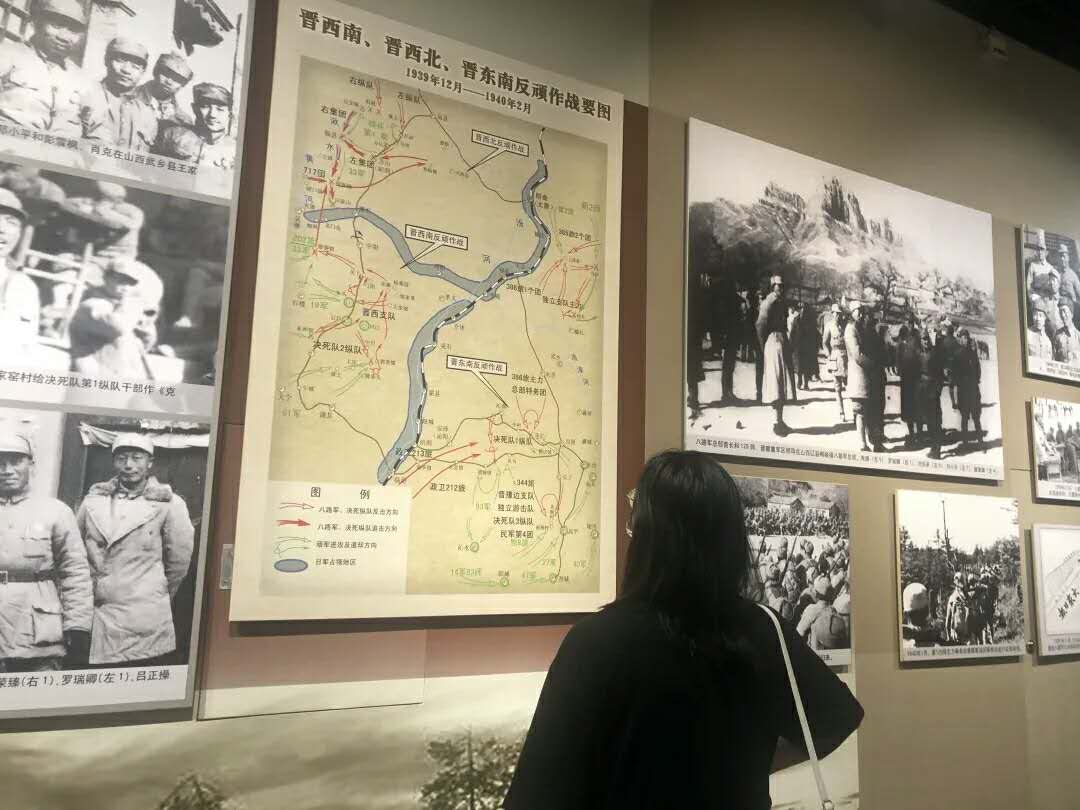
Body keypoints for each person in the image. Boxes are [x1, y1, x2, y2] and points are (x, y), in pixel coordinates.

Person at [505, 451, 863, 810]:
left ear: (646, 535)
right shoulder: (763, 628)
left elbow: (536, 793)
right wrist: (744, 767)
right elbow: (836, 720)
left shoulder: (596, 641)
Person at [76, 433, 195, 666]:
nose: (128, 465)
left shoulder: (169, 504)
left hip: (142, 616)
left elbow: (178, 563)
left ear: (150, 462)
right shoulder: (92, 501)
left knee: (134, 674)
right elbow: (75, 551)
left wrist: (153, 594)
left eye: (136, 458)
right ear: (114, 462)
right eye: (121, 458)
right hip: (95, 614)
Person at [0, 430, 92, 672]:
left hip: (36, 631)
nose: (7, 470)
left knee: (35, 691)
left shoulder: (55, 511)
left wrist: (78, 624)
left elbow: (75, 572)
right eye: (0, 462)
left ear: (31, 464)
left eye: (16, 461)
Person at [0, 0, 88, 138]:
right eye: (56, 25)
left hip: (60, 149)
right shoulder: (7, 55)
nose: (64, 37)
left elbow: (94, 132)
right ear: (36, 23)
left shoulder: (82, 79)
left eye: (73, 30)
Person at [68, 258, 163, 378]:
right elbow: (119, 326)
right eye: (121, 281)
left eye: (131, 283)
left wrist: (146, 322)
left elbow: (148, 339)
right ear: (106, 278)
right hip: (93, 373)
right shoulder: (91, 304)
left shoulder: (123, 307)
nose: (126, 287)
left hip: (121, 373)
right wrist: (133, 306)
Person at [80, 37, 150, 145]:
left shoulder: (147, 114)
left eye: (135, 66)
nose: (126, 70)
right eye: (120, 61)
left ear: (143, 71)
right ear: (106, 60)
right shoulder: (85, 95)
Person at [157, 83, 235, 171]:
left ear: (230, 114)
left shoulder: (235, 149)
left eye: (220, 109)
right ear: (194, 108)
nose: (212, 115)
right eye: (205, 107)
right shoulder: (173, 136)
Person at [0, 188, 41, 350]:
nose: (2, 229)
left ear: (18, 235)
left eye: (11, 222)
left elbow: (25, 347)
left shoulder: (24, 287)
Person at [756, 274, 796, 436]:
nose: (781, 288)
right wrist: (764, 345)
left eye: (782, 285)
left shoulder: (781, 302)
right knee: (776, 382)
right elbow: (760, 325)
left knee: (782, 382)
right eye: (778, 285)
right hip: (773, 341)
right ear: (772, 286)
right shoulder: (769, 302)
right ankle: (776, 423)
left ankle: (780, 420)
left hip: (782, 340)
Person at [129, 52, 194, 151]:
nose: (169, 82)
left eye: (177, 79)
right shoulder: (128, 98)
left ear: (182, 85)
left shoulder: (184, 120)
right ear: (156, 72)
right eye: (166, 74)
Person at [844, 302, 878, 452]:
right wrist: (873, 364)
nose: (861, 314)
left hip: (865, 374)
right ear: (852, 312)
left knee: (867, 409)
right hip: (858, 374)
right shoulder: (850, 329)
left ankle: (871, 440)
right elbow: (857, 355)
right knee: (860, 410)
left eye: (862, 311)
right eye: (858, 311)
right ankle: (862, 444)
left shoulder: (859, 328)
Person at [917, 329, 946, 460]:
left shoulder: (935, 354)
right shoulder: (920, 354)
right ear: (920, 341)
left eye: (927, 339)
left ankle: (937, 449)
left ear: (930, 339)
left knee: (935, 420)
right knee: (928, 420)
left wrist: (938, 390)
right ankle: (933, 447)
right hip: (923, 390)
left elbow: (940, 375)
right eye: (923, 339)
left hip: (933, 390)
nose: (925, 341)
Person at [952, 329, 983, 446]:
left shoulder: (971, 353)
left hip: (971, 389)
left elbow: (978, 369)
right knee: (966, 417)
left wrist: (975, 380)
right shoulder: (959, 354)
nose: (965, 339)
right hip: (966, 390)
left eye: (966, 337)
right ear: (960, 339)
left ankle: (978, 440)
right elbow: (955, 373)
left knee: (974, 416)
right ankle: (967, 441)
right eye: (963, 337)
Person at [822, 303, 848, 421]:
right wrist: (828, 356)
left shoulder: (845, 325)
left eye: (839, 314)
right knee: (838, 387)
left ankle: (855, 411)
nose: (838, 316)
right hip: (835, 357)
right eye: (836, 313)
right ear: (832, 314)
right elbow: (824, 343)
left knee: (849, 385)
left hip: (846, 357)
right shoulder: (829, 326)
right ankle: (841, 411)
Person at [1053, 299, 1080, 364]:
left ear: (1071, 314)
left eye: (1064, 311)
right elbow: (1054, 359)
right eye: (1060, 312)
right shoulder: (1057, 335)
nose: (1062, 315)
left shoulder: (1078, 336)